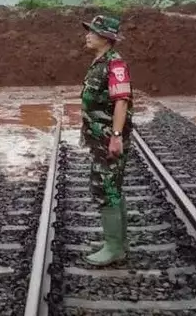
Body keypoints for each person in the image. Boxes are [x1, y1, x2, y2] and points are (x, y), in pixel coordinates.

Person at [78, 14, 134, 266]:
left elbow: (121, 101)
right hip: (99, 137)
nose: (87, 35)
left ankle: (114, 248)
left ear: (106, 38)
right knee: (112, 186)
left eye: (92, 32)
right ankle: (118, 243)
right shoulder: (100, 61)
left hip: (107, 138)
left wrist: (116, 136)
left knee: (107, 188)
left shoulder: (115, 64)